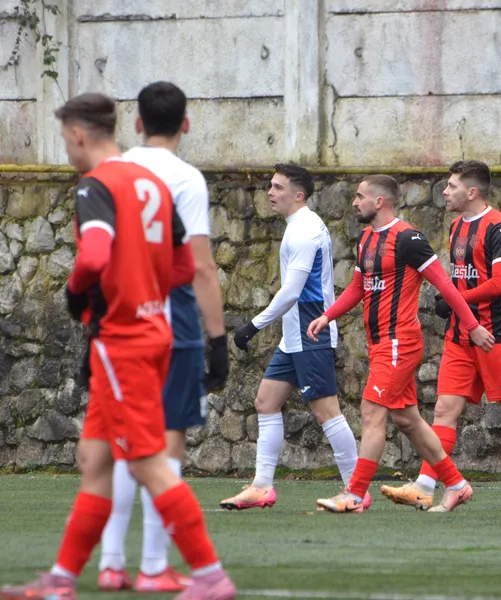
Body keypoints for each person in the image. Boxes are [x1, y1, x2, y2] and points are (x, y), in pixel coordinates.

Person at [0, 93, 234, 600]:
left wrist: (77, 291)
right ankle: (62, 579)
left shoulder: (97, 184)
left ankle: (210, 575)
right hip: (151, 332)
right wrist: (147, 291)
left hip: (122, 341)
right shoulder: (152, 182)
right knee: (96, 458)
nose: (67, 151)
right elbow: (183, 265)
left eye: (65, 141)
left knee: (147, 461)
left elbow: (95, 254)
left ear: (78, 135)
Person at [96, 81, 229, 593]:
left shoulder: (114, 171)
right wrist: (218, 341)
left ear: (136, 123)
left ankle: (112, 561)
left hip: (120, 320)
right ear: (186, 124)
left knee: (124, 442)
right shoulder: (186, 178)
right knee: (167, 443)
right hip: (172, 322)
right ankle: (153, 565)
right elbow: (200, 266)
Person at [307, 175, 496, 513]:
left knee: (371, 412)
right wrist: (327, 316)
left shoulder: (408, 239)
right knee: (408, 421)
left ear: (380, 201)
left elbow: (447, 286)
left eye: (360, 196)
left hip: (399, 343)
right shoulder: (366, 238)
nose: (354, 202)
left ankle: (354, 495)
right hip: (380, 344)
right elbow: (358, 287)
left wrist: (473, 326)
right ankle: (456, 484)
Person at [379, 160, 501, 512]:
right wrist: (457, 304)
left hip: (495, 336)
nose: (445, 191)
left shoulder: (500, 227)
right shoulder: (455, 227)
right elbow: (461, 278)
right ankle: (425, 486)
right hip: (460, 335)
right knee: (444, 410)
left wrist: (456, 300)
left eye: (452, 186)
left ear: (472, 192)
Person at [219, 163, 366, 511]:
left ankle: (355, 491)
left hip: (310, 331)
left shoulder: (305, 231)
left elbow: (291, 292)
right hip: (294, 335)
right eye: (271, 186)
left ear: (298, 195)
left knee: (327, 411)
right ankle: (261, 487)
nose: (270, 192)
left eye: (278, 187)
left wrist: (253, 325)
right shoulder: (298, 226)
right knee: (266, 401)